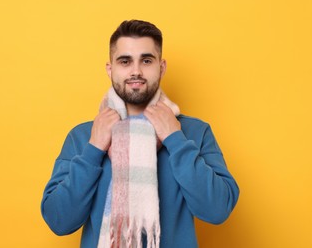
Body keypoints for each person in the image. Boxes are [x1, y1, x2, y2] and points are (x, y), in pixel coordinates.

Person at [41, 20, 239, 248]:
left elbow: (217, 210)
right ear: (110, 69)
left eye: (146, 60)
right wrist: (93, 149)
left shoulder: (193, 132)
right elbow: (59, 220)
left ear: (161, 67)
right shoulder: (84, 136)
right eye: (125, 61)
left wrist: (175, 139)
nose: (136, 71)